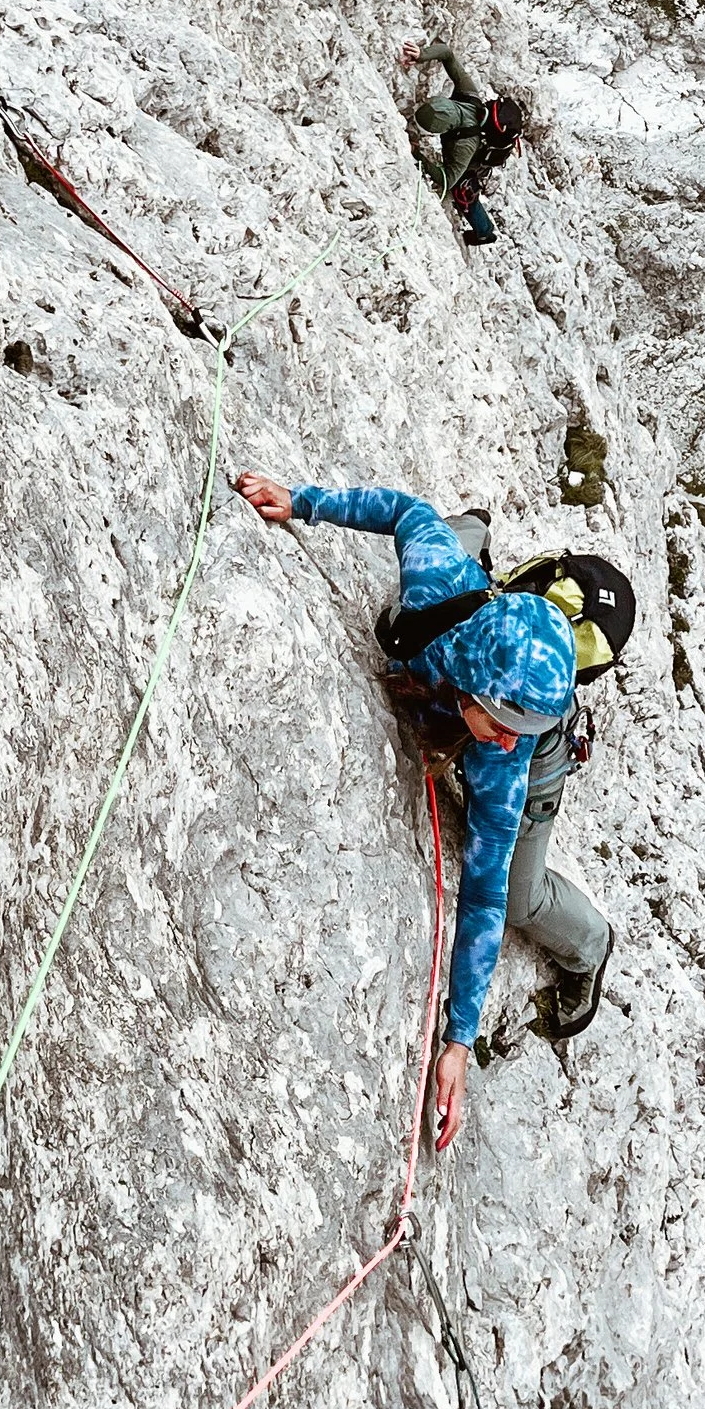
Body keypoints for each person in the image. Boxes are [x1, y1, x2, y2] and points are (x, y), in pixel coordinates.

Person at [231, 475, 613, 1151]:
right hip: (468, 616)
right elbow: (406, 512)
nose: (506, 740)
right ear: (477, 687)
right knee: (403, 618)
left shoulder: (509, 760)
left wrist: (459, 1039)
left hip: (545, 758)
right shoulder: (438, 589)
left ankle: (591, 945)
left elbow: (487, 897)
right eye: (502, 722)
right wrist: (301, 502)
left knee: (525, 899)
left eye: (517, 728)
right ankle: (476, 531)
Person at [404, 40, 523, 246]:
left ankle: (485, 232)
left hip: (476, 159)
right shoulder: (468, 94)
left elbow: (447, 180)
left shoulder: (466, 145)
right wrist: (421, 54)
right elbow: (447, 53)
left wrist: (418, 155)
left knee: (462, 190)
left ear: (447, 128)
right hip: (473, 140)